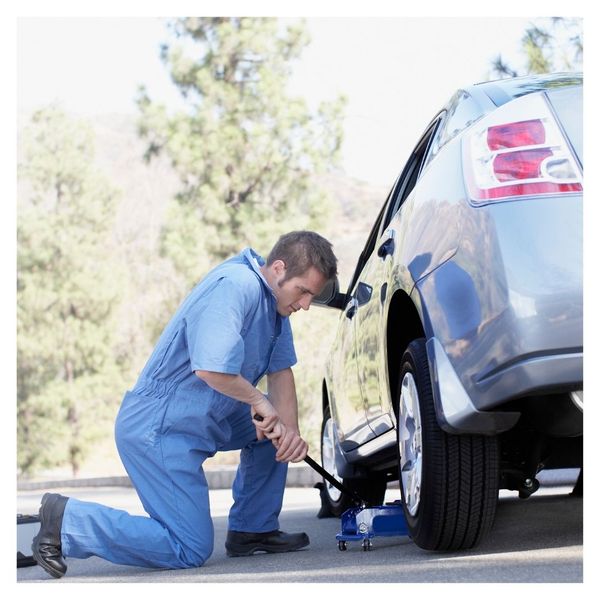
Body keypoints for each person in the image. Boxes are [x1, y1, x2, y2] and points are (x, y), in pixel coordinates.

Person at [32, 230, 338, 578]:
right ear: (279, 268)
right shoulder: (236, 285)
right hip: (160, 426)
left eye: (312, 295)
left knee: (276, 430)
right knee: (188, 547)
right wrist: (257, 400)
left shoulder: (276, 309)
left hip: (207, 414)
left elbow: (281, 372)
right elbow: (210, 367)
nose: (306, 304)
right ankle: (67, 520)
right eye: (303, 291)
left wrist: (290, 433)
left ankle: (253, 529)